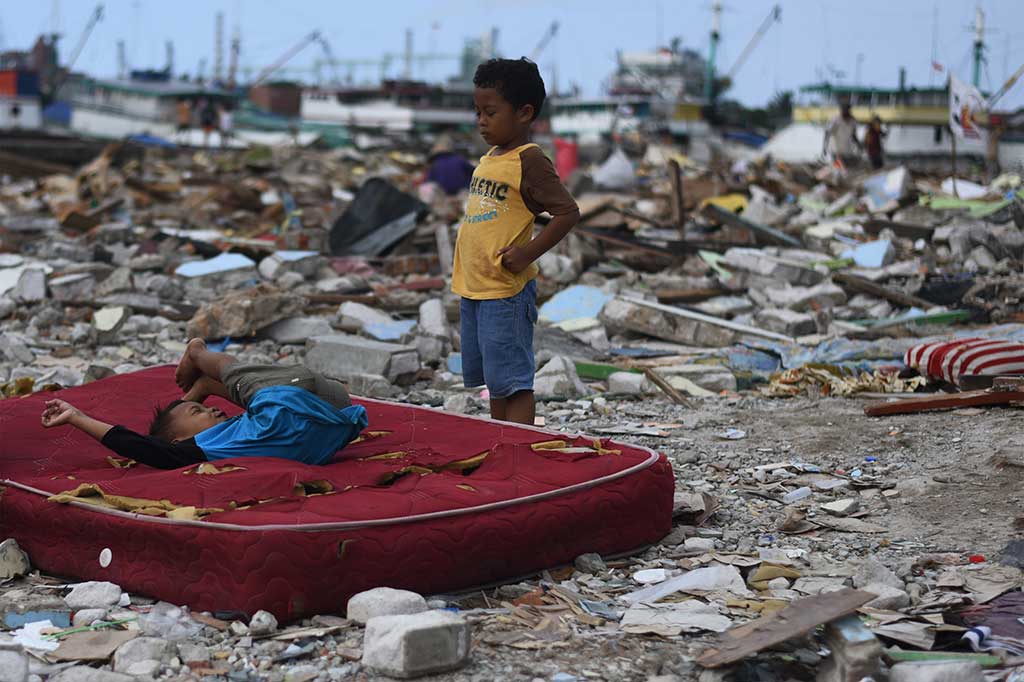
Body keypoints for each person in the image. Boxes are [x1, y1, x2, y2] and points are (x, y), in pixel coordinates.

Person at [452, 57, 580, 426]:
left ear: (524, 113)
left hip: (505, 293)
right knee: (496, 383)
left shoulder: (530, 161)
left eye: (490, 112)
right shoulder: (491, 157)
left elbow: (567, 212)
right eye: (477, 111)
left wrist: (526, 253)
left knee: (514, 383)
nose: (481, 120)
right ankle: (500, 445)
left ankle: (517, 453)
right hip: (476, 289)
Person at [40, 339, 368, 469]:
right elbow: (135, 444)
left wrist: (189, 405)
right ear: (178, 441)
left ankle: (197, 353)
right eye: (199, 410)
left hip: (289, 402)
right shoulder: (195, 449)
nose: (213, 411)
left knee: (243, 378)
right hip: (332, 421)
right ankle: (205, 382)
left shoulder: (236, 429)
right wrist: (77, 417)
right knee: (247, 385)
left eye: (204, 407)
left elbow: (178, 421)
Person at [823, 100, 862, 168]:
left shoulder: (852, 121)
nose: (844, 111)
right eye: (843, 109)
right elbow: (827, 133)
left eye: (846, 109)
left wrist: (859, 145)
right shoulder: (835, 120)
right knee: (838, 169)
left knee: (846, 170)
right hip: (835, 150)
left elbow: (853, 135)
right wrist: (824, 147)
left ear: (849, 110)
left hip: (847, 151)